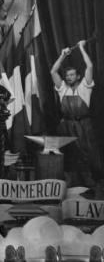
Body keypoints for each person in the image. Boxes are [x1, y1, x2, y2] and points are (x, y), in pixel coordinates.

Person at [50, 41, 102, 186]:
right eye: (67, 75)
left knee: (90, 155)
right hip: (67, 126)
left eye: (72, 75)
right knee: (70, 157)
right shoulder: (62, 89)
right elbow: (53, 71)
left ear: (78, 77)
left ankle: (95, 184)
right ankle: (73, 185)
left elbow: (90, 66)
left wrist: (81, 48)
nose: (69, 77)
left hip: (84, 126)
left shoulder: (85, 86)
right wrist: (62, 55)